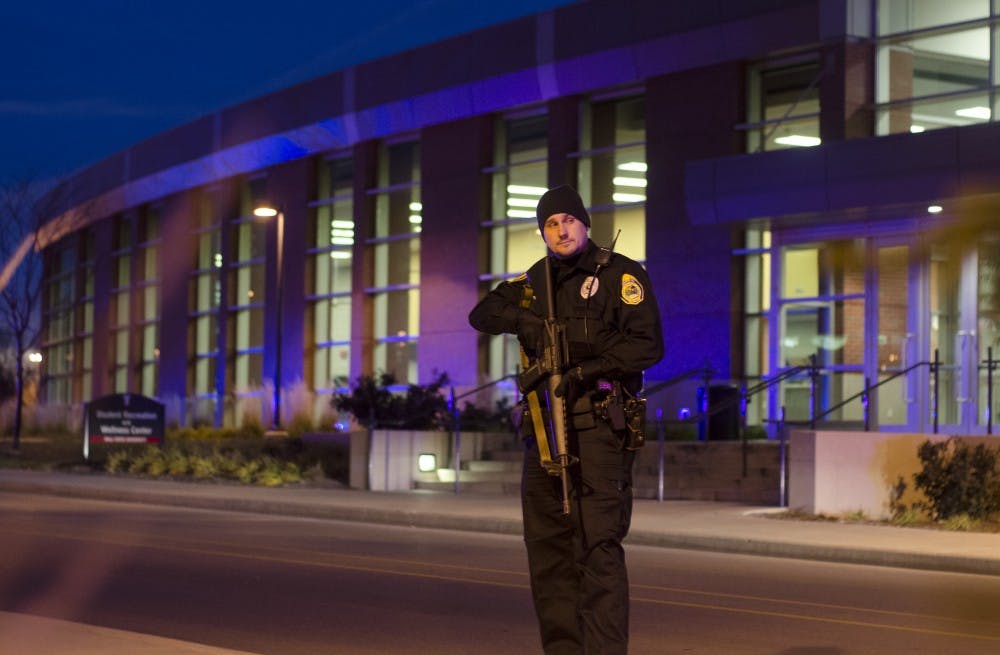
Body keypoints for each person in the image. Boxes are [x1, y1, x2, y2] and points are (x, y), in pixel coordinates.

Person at [468, 185, 664, 654]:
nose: (560, 230)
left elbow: (647, 346)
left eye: (568, 221)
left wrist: (584, 369)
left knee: (598, 549)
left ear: (585, 224)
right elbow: (484, 312)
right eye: (550, 224)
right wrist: (528, 322)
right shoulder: (536, 282)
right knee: (548, 552)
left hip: (599, 425)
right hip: (545, 433)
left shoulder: (620, 274)